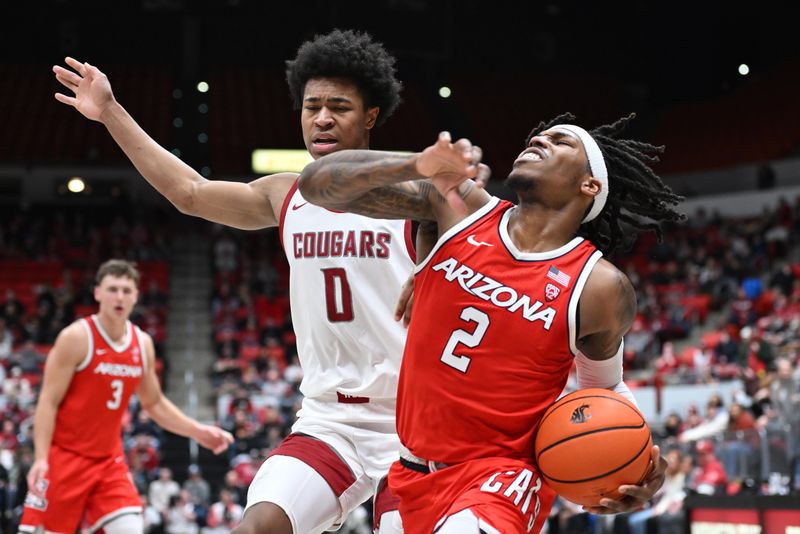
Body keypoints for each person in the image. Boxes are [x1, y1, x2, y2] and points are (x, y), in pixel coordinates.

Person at [53, 29, 441, 534]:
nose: (321, 117)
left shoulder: (413, 191)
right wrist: (110, 112)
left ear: (370, 116)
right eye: (311, 106)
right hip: (331, 421)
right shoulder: (287, 195)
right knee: (258, 525)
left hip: (417, 421)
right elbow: (188, 192)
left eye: (338, 107)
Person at [298, 112, 682, 532]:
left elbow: (604, 388)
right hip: (410, 471)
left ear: (589, 185)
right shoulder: (457, 207)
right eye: (539, 134)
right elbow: (317, 185)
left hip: (504, 477)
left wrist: (635, 465)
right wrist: (414, 165)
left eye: (561, 141)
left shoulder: (599, 286)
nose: (540, 138)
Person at [18, 260, 233, 534]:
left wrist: (197, 431)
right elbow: (47, 402)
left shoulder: (142, 343)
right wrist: (40, 458)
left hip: (109, 462)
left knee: (131, 528)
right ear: (97, 293)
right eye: (112, 289)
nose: (119, 297)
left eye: (125, 290)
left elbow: (153, 403)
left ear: (136, 296)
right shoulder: (76, 338)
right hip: (65, 459)